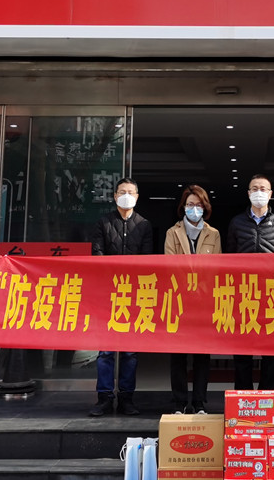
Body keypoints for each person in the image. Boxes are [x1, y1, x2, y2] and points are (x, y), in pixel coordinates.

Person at [89, 178, 153, 417]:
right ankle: (104, 397)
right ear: (115, 196)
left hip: (134, 296)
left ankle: (127, 398)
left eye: (131, 192)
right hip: (107, 294)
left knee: (129, 351)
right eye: (122, 192)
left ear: (137, 197)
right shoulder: (103, 222)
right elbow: (97, 255)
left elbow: (146, 260)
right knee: (105, 351)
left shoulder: (144, 225)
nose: (126, 196)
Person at [227, 173, 274, 390]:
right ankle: (243, 394)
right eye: (254, 189)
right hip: (243, 293)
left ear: (270, 194)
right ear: (248, 193)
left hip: (271, 294)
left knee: (270, 350)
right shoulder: (236, 222)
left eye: (263, 189)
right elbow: (229, 257)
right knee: (242, 349)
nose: (259, 193)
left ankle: (267, 394)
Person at [164, 184, 221, 414]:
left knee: (202, 354)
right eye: (190, 205)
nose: (194, 209)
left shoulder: (213, 234)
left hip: (204, 302)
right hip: (179, 300)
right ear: (183, 207)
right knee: (178, 354)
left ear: (204, 207)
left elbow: (217, 268)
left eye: (198, 205)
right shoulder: (173, 232)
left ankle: (199, 402)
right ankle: (179, 402)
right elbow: (170, 265)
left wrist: (202, 288)